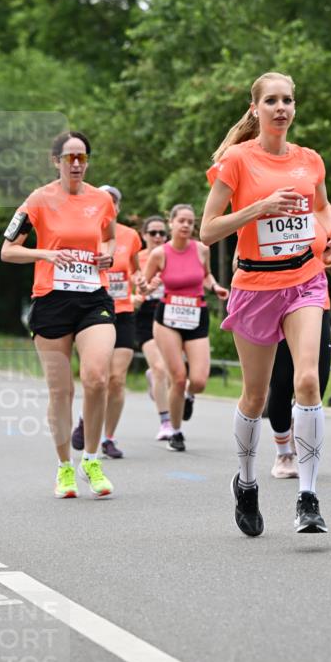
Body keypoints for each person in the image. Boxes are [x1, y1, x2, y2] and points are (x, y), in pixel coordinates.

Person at [201, 71, 331, 537]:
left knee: (307, 380)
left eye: (287, 100)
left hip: (304, 281)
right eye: (271, 101)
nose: (280, 107)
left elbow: (321, 209)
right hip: (254, 287)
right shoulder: (237, 161)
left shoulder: (310, 161)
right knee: (256, 396)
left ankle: (308, 497)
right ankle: (245, 482)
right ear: (255, 110)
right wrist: (258, 209)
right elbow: (208, 229)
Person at [1, 130, 117, 498]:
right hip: (51, 299)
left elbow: (110, 238)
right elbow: (8, 251)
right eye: (69, 158)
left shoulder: (101, 200)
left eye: (82, 157)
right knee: (61, 390)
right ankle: (65, 466)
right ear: (56, 162)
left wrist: (108, 255)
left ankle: (92, 459)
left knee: (97, 377)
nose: (77, 164)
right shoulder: (38, 199)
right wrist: (45, 255)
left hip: (92, 297)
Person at [144, 203, 229, 452]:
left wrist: (215, 287)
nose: (185, 225)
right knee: (178, 378)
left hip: (196, 315)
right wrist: (145, 286)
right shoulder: (159, 253)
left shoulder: (202, 249)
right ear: (171, 223)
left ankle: (189, 397)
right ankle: (176, 431)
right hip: (168, 317)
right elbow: (145, 285)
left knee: (199, 380)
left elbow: (206, 275)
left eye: (190, 222)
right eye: (181, 220)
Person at [71, 185, 141, 458]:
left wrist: (142, 285)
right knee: (96, 376)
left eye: (112, 202)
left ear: (117, 208)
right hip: (89, 311)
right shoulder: (79, 232)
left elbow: (134, 272)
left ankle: (108, 437)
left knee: (116, 379)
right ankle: (84, 417)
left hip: (121, 312)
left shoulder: (130, 236)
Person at [267, 247, 331, 479]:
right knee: (281, 382)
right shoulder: (267, 211)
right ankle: (283, 453)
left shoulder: (322, 216)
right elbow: (240, 263)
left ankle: (299, 426)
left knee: (315, 382)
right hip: (277, 304)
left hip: (316, 305)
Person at [135, 215, 173, 441]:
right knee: (160, 368)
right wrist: (139, 293)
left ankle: (158, 381)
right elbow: (129, 285)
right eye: (153, 233)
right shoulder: (136, 258)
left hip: (173, 311)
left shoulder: (175, 255)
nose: (158, 237)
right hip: (146, 313)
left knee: (175, 371)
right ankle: (166, 422)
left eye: (162, 233)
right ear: (144, 235)